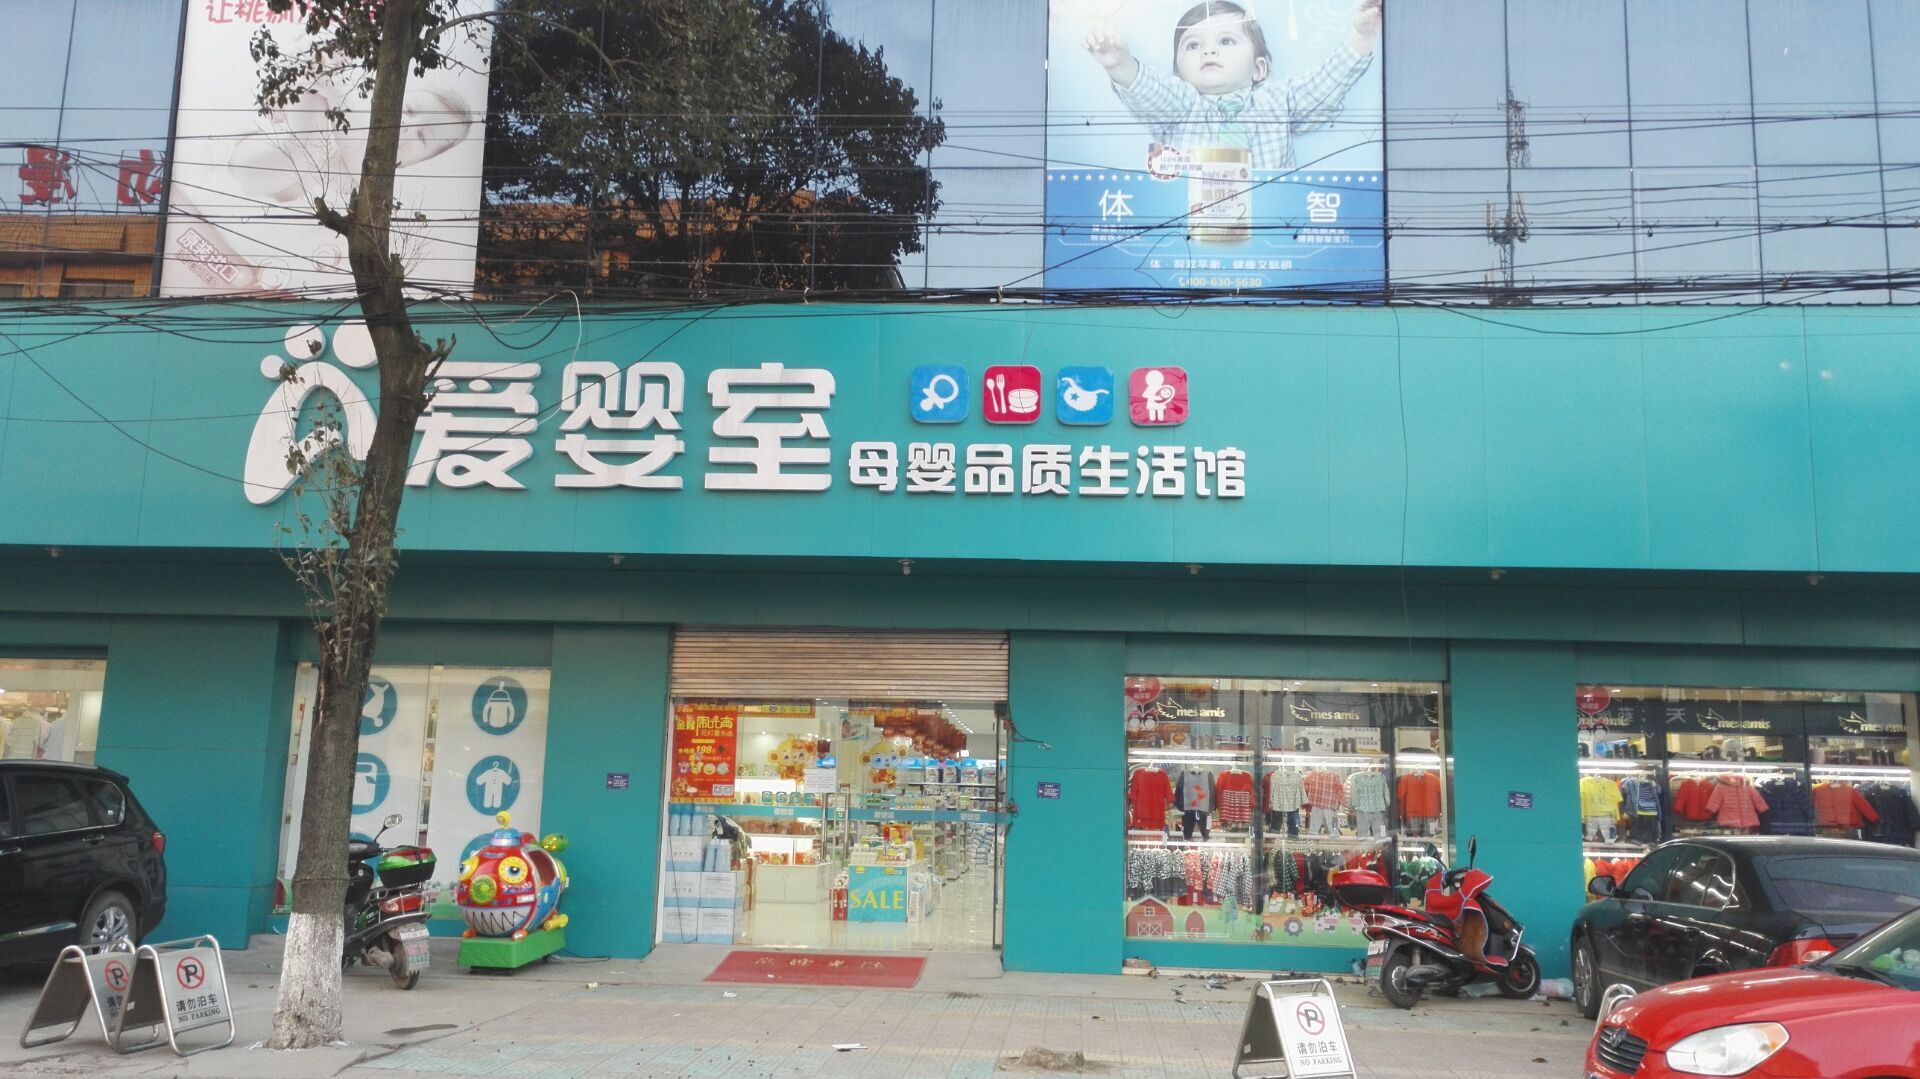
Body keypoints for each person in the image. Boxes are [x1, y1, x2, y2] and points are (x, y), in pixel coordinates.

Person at [1084, 0, 1382, 171]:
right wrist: (1119, 63)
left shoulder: (1276, 100)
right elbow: (1149, 89)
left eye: (1226, 41)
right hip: (1193, 228)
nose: (1209, 51)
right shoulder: (1182, 104)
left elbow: (1324, 86)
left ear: (1258, 68)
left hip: (1269, 222)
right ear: (1178, 74)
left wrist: (1362, 37)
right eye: (1193, 45)